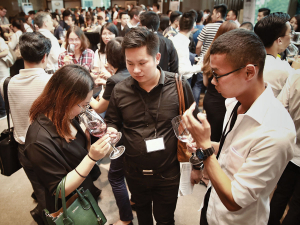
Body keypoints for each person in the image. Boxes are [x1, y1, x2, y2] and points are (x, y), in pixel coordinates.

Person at [182, 28, 296, 225]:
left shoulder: (277, 132)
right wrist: (206, 144)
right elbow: (231, 151)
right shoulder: (233, 102)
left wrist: (206, 148)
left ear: (249, 72)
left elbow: (235, 201)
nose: (213, 81)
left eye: (218, 75)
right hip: (210, 207)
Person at [105, 27, 196, 225]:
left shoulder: (179, 85)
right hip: (134, 171)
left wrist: (196, 162)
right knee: (143, 216)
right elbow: (112, 120)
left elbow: (193, 124)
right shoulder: (120, 90)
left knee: (165, 219)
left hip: (168, 172)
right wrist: (111, 129)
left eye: (142, 63)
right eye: (130, 63)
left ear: (157, 58)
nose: (136, 70)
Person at [24, 64, 110, 215]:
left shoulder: (67, 116)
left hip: (84, 189)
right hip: (71, 205)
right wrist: (92, 157)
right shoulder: (38, 141)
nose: (84, 110)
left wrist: (90, 141)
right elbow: (59, 190)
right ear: (65, 99)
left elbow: (79, 152)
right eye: (83, 105)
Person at [0, 32, 52, 225]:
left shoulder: (7, 83)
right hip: (48, 147)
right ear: (45, 56)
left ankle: (44, 214)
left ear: (22, 55)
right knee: (57, 187)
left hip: (22, 146)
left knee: (39, 188)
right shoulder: (51, 83)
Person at [90, 37, 132, 225]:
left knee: (115, 176)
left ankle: (125, 219)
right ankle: (136, 201)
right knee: (132, 172)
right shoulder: (130, 74)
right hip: (134, 132)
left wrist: (86, 95)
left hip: (121, 134)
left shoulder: (115, 80)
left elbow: (99, 108)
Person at [270, 69, 300, 225]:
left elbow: (279, 108)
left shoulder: (296, 76)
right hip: (292, 150)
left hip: (292, 149)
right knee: (296, 208)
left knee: (280, 194)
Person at [254, 12, 294, 97]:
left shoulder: (252, 58)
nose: (291, 36)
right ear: (279, 40)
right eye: (290, 33)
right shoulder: (281, 69)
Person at [0, 26, 9, 119]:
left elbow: (6, 51)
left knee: (2, 88)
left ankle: (4, 111)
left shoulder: (0, 40)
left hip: (2, 69)